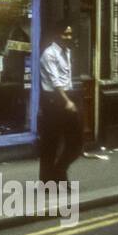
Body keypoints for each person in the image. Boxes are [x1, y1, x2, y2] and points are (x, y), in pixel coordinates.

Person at [38, 20, 82, 183]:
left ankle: (58, 172)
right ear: (57, 35)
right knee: (50, 144)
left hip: (67, 96)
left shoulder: (67, 51)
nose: (68, 37)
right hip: (53, 100)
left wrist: (71, 99)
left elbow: (67, 78)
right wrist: (68, 102)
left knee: (76, 143)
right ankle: (48, 182)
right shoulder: (49, 54)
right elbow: (55, 82)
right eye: (65, 34)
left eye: (70, 34)